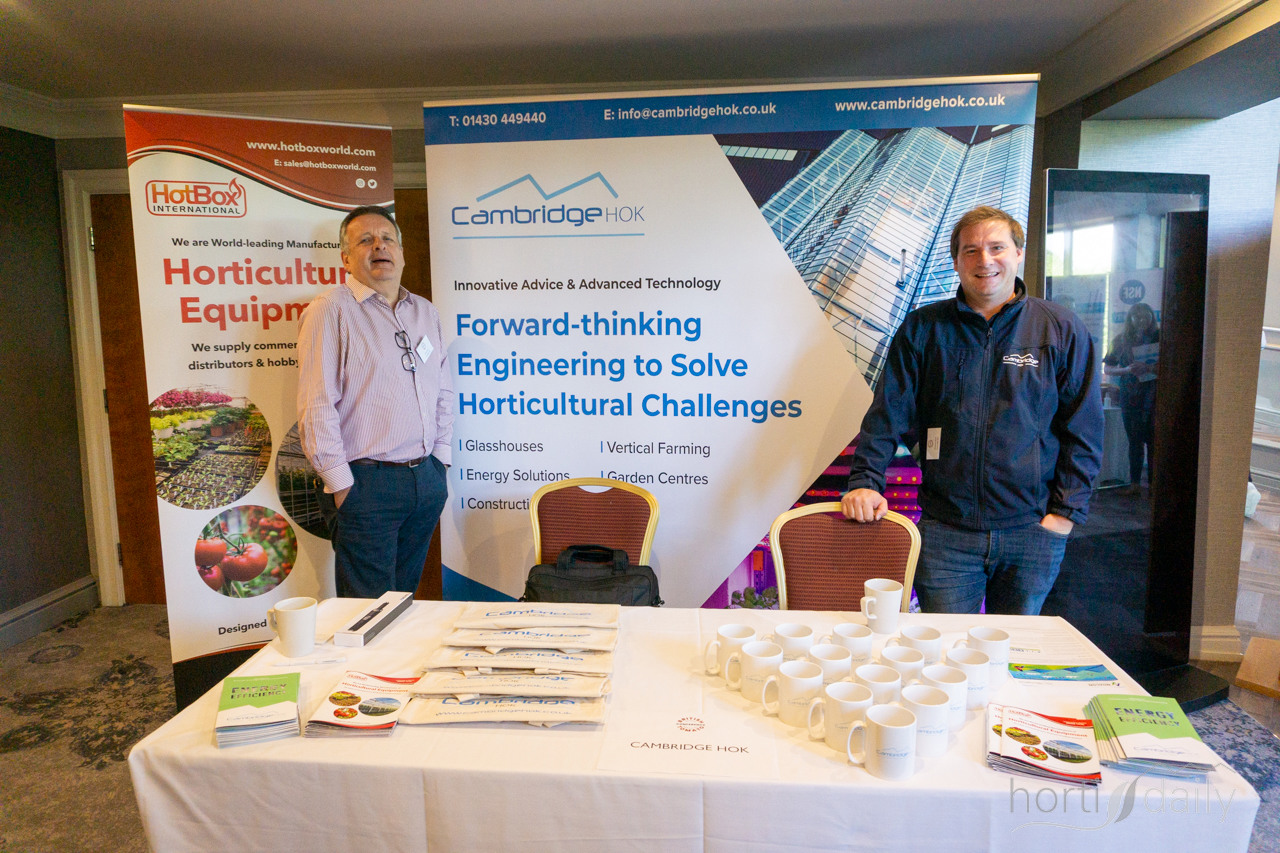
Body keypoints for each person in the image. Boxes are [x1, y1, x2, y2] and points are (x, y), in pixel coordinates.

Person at [841, 206, 1103, 615]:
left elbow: (1084, 430)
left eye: (997, 247)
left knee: (1011, 647)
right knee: (944, 648)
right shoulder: (923, 328)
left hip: (1032, 532)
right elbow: (886, 413)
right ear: (956, 261)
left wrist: (1063, 516)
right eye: (971, 250)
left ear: (1018, 253)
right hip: (946, 533)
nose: (985, 260)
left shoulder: (1059, 329)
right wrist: (866, 481)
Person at [297, 205, 452, 598]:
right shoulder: (330, 310)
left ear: (401, 252)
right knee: (366, 611)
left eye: (387, 239)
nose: (379, 246)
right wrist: (342, 486)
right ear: (346, 259)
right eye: (365, 240)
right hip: (366, 485)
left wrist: (441, 461)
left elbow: (443, 391)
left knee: (404, 601)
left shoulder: (425, 312)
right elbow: (316, 404)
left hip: (425, 479)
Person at [1103, 300, 1159, 495]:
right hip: (1130, 397)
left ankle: (1154, 486)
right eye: (1137, 316)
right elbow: (1108, 368)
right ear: (1131, 318)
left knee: (1154, 442)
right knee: (1134, 441)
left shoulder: (1161, 337)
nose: (1141, 319)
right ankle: (1134, 484)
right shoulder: (1121, 339)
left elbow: (1173, 366)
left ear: (1152, 317)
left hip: (1155, 397)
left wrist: (1150, 368)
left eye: (1145, 315)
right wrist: (1127, 369)